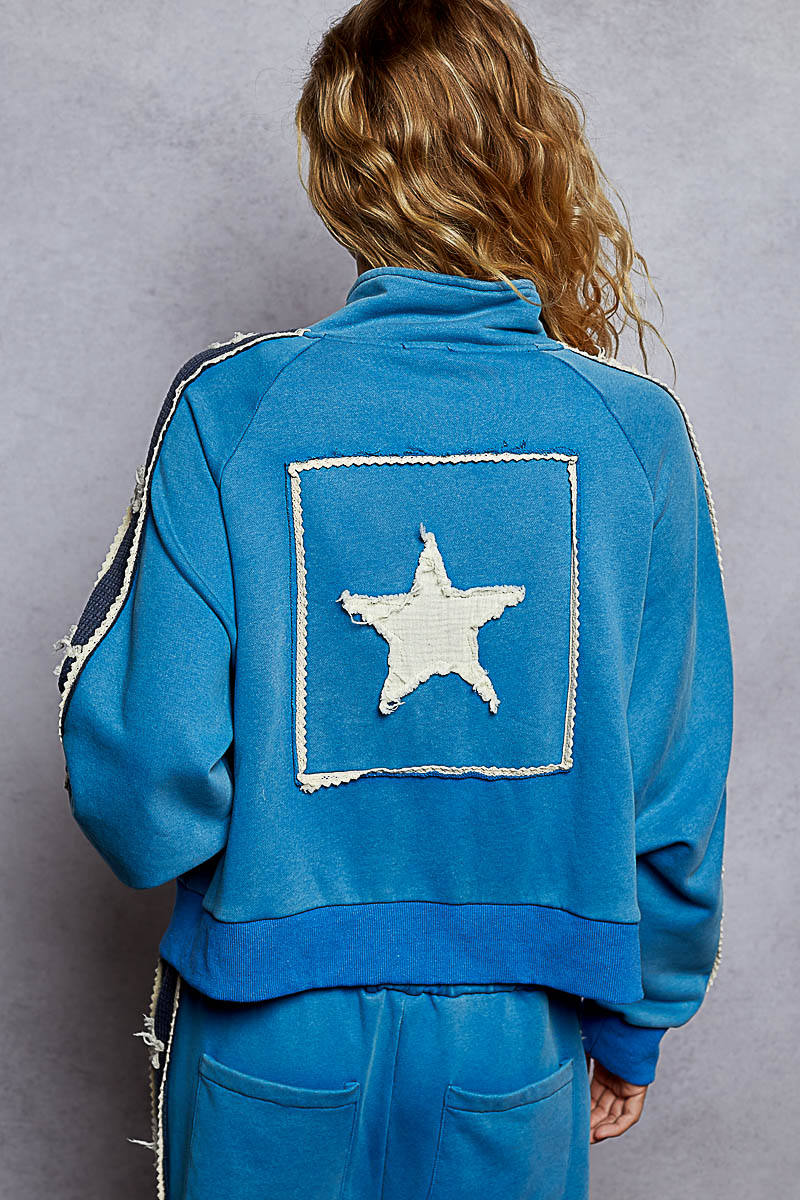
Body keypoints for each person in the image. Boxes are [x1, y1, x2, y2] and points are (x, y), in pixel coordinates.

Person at [55, 1, 732, 1197]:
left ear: (336, 173)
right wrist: (636, 1021)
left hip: (267, 1026)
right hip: (518, 1044)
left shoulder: (235, 408)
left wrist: (282, 866)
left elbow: (145, 779)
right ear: (526, 146)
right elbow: (672, 784)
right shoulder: (632, 435)